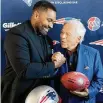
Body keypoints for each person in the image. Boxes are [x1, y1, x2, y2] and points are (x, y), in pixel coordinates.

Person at [1, 1, 66, 103]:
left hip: (42, 96)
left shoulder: (47, 39)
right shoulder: (17, 34)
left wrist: (55, 58)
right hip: (18, 96)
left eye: (53, 22)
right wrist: (54, 65)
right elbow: (24, 70)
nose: (51, 26)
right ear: (36, 15)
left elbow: (46, 68)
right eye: (49, 20)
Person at [52, 19, 103, 103]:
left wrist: (88, 92)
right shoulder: (54, 50)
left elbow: (99, 80)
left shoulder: (93, 54)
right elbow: (49, 77)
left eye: (67, 34)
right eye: (62, 32)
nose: (62, 36)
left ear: (78, 38)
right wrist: (54, 65)